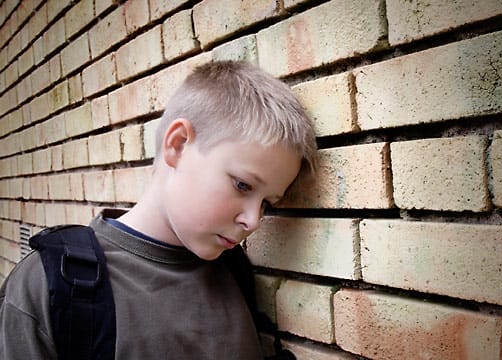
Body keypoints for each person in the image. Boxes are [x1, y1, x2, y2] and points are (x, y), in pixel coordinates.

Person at [0, 61, 317, 358]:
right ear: (178, 145)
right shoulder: (50, 285)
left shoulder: (235, 271)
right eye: (243, 185)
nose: (253, 221)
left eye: (267, 204)